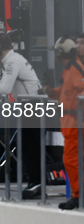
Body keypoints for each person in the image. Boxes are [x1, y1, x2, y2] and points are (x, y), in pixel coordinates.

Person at [0, 33, 43, 199]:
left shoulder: (12, 61)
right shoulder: (13, 60)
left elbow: (5, 88)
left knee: (30, 146)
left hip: (31, 106)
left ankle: (36, 182)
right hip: (29, 105)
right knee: (27, 146)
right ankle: (36, 182)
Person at [43, 37, 84, 210]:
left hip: (75, 122)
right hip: (70, 123)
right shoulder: (69, 70)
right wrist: (53, 92)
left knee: (70, 159)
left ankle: (78, 195)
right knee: (74, 159)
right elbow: (67, 91)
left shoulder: (75, 69)